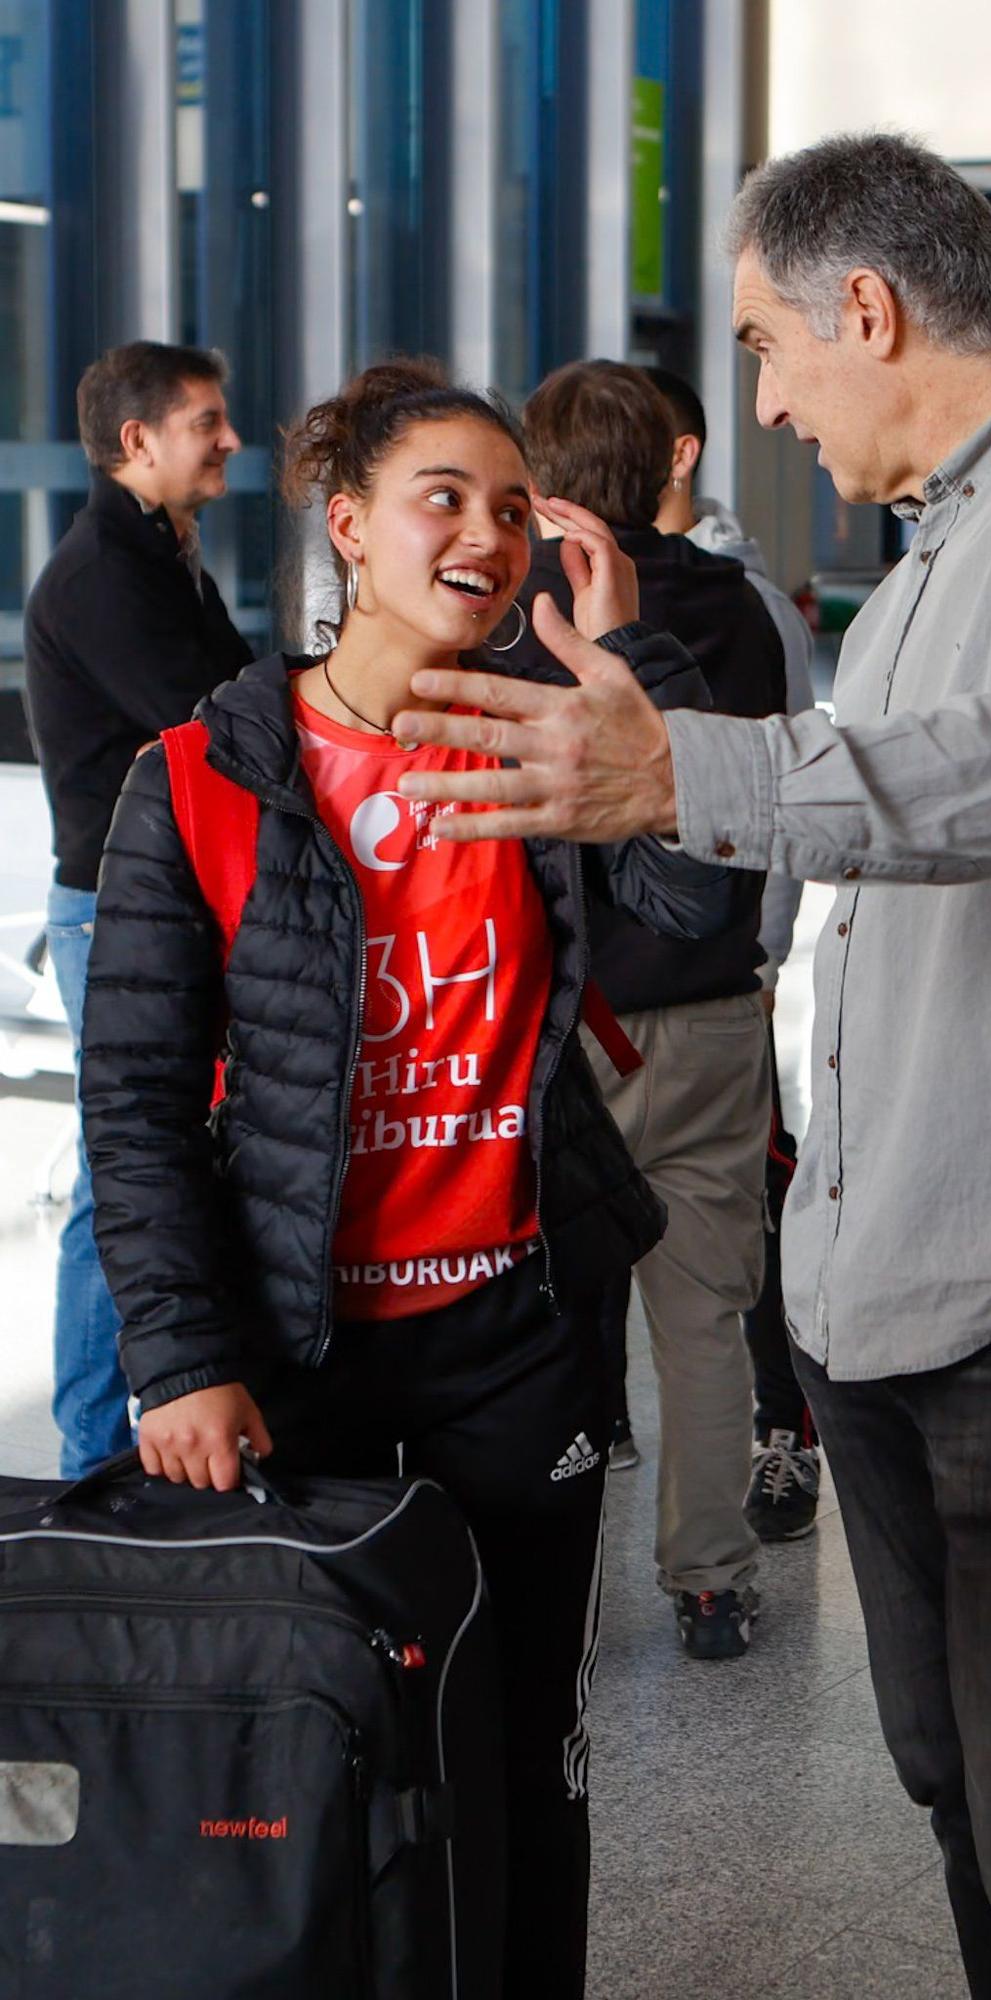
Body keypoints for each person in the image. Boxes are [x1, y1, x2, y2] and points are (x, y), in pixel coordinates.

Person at [383, 132, 991, 2000]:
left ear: (863, 308)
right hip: (901, 1284)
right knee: (961, 1794)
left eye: (770, 347)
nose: (763, 400)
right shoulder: (952, 530)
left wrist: (681, 775)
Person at [79, 359, 736, 1997]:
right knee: (303, 1766)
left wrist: (621, 657)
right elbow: (141, 1096)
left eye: (514, 507)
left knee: (529, 1757)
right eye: (443, 495)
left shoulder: (536, 749)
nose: (488, 532)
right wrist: (178, 1356)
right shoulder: (204, 778)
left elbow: (697, 905)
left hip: (514, 1335)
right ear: (349, 524)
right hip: (298, 1359)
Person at [511, 358, 786, 1658]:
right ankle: (712, 1580)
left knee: (560, 1312)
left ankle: (554, 1577)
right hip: (716, 1011)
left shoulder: (518, 620)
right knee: (706, 1314)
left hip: (571, 1023)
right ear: (667, 461)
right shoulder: (741, 612)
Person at [23, 339, 250, 1478]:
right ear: (137, 441)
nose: (228, 440)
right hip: (114, 910)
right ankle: (91, 1456)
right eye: (208, 421)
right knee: (124, 1171)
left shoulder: (161, 552)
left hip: (146, 902)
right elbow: (211, 718)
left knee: (145, 1159)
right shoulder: (105, 575)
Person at [647, 362, 822, 1542]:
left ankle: (785, 1429)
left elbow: (788, 788)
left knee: (738, 1225)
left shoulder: (744, 602)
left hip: (719, 978)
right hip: (601, 997)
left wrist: (760, 957)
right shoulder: (546, 592)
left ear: (677, 454)